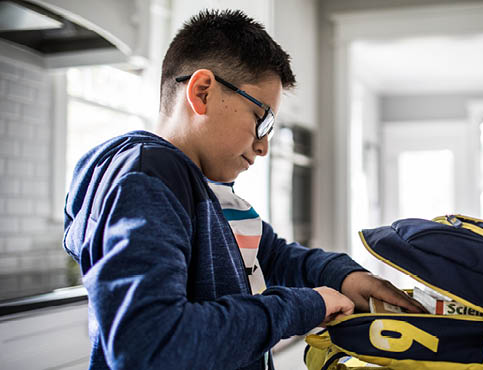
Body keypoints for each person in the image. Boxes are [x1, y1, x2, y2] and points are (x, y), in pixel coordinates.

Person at [63, 8, 424, 370]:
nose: (263, 146)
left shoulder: (208, 188)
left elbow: (274, 255)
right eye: (262, 119)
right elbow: (150, 344)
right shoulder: (149, 177)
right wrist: (305, 305)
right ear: (202, 91)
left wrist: (344, 276)